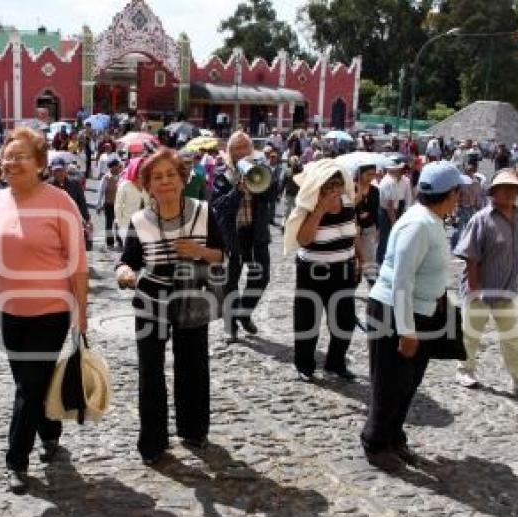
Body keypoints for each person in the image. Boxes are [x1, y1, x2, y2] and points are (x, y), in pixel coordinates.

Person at [0, 126, 88, 494]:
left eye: (21, 157)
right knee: (30, 383)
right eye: (7, 156)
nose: (11, 163)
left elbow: (78, 262)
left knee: (27, 385)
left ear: (39, 163)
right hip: (8, 310)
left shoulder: (59, 201)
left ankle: (16, 460)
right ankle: (51, 432)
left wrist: (81, 313)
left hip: (51, 309)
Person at [115, 148, 225, 465]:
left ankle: (193, 430)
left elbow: (223, 255)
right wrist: (124, 273)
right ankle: (153, 442)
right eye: (157, 177)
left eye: (170, 175)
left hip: (192, 295)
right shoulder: (140, 220)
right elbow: (128, 261)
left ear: (183, 179)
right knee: (150, 371)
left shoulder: (204, 212)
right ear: (147, 184)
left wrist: (198, 251)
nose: (165, 182)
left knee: (193, 365)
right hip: (151, 297)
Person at [361, 161, 463, 471]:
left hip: (420, 312)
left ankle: (394, 436)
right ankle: (375, 441)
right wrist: (406, 331)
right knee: (390, 383)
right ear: (451, 193)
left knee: (408, 382)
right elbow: (402, 279)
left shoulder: (432, 220)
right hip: (396, 313)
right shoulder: (418, 224)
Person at [453, 169, 518, 393]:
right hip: (480, 287)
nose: (509, 193)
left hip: (508, 288)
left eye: (513, 189)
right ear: (494, 193)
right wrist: (473, 288)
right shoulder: (481, 219)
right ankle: (464, 370)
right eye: (504, 189)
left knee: (512, 336)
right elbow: (470, 255)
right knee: (471, 334)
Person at [287, 159, 358, 381]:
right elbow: (304, 240)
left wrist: (360, 259)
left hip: (343, 269)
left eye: (337, 184)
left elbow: (353, 232)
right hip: (313, 270)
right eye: (328, 185)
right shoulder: (308, 207)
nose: (334, 189)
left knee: (345, 321)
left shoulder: (348, 203)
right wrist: (319, 210)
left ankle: (336, 363)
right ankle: (304, 365)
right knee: (308, 320)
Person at [211, 132, 272, 343]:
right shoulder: (222, 174)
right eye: (236, 148)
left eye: (244, 147)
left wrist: (261, 179)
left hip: (255, 234)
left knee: (261, 277)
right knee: (230, 282)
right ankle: (230, 326)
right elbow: (218, 207)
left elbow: (273, 196)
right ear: (229, 151)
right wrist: (237, 190)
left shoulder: (260, 169)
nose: (240, 152)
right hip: (231, 235)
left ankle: (243, 312)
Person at [352, 162, 380, 286]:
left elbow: (376, 210)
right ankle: (353, 282)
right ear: (360, 173)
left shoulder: (375, 190)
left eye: (373, 174)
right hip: (353, 229)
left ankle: (372, 283)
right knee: (353, 258)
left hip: (369, 228)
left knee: (369, 257)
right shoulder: (351, 188)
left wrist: (377, 227)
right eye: (368, 174)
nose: (371, 177)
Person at [115, 156, 150, 246]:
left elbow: (150, 204)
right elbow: (117, 206)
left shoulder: (148, 185)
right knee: (129, 254)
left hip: (144, 226)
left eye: (144, 168)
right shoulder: (124, 186)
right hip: (127, 226)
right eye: (139, 168)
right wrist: (121, 225)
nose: (141, 171)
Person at [450, 161, 485, 250]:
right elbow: (456, 197)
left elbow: (478, 195)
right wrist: (454, 209)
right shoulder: (461, 183)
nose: (470, 172)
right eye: (468, 171)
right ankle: (455, 246)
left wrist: (479, 206)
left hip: (471, 208)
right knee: (458, 228)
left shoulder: (476, 183)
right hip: (461, 208)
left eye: (471, 170)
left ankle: (469, 246)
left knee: (471, 228)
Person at [376, 159, 404, 264]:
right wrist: (393, 221)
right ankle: (381, 261)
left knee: (385, 238)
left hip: (386, 212)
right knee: (386, 239)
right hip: (387, 213)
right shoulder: (390, 182)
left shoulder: (388, 180)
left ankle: (382, 260)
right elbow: (390, 205)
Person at [96, 157, 122, 248]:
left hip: (119, 204)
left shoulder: (121, 177)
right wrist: (98, 205)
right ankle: (110, 242)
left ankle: (119, 240)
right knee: (109, 223)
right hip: (109, 204)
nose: (118, 168)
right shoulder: (106, 178)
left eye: (118, 167)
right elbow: (101, 192)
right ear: (111, 168)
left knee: (119, 223)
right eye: (116, 167)